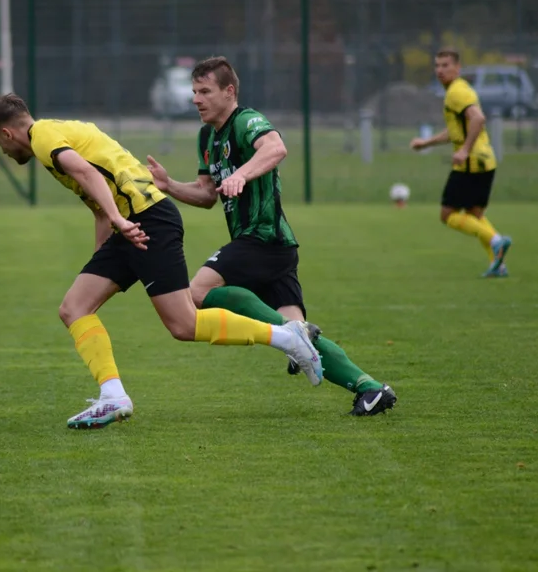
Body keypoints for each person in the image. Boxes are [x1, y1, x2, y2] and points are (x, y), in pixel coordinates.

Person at [0, 93, 322, 430]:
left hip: (149, 221)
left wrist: (118, 219)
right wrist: (102, 257)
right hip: (134, 222)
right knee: (74, 307)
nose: (2, 150)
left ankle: (288, 338)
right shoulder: (58, 131)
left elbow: (88, 174)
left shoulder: (41, 138)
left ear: (7, 133)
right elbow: (99, 202)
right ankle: (113, 396)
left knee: (184, 325)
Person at [145, 56, 396, 416]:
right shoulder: (207, 136)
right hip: (273, 248)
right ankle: (370, 388)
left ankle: (292, 339)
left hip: (262, 238)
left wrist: (242, 175)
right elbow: (205, 195)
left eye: (205, 91)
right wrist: (168, 185)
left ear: (229, 91)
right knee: (301, 331)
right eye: (194, 92)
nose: (196, 99)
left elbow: (276, 148)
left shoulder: (246, 120)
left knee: (198, 292)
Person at [410, 48, 512, 277]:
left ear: (458, 68)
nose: (440, 70)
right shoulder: (460, 90)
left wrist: (465, 150)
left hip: (471, 162)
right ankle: (498, 264)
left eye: (445, 65)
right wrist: (426, 143)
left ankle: (496, 241)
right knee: (475, 215)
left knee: (448, 214)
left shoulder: (456, 92)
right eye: (437, 66)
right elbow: (455, 130)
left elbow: (478, 118)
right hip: (486, 161)